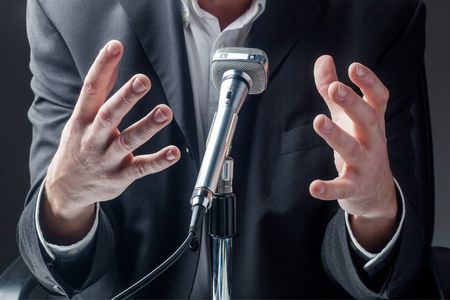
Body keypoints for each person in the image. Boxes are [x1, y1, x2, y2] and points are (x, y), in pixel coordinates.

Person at [17, 0, 427, 298]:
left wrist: (375, 212)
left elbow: (392, 264)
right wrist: (65, 199)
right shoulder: (68, 10)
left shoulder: (381, 14)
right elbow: (55, 257)